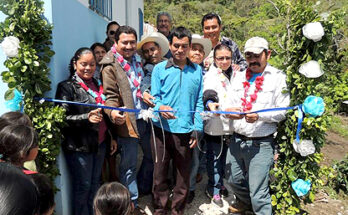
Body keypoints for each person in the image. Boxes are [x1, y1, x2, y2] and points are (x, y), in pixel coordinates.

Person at [224, 37, 290, 214]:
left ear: (267, 54)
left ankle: (258, 208)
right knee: (232, 179)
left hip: (261, 144)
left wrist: (260, 116)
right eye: (248, 55)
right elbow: (228, 102)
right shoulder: (238, 76)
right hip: (237, 141)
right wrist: (229, 111)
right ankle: (246, 203)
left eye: (256, 55)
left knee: (259, 193)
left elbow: (283, 111)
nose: (252, 59)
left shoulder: (278, 77)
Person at [55, 47, 116, 215]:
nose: (88, 68)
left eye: (92, 64)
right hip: (80, 147)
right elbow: (61, 119)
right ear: (75, 64)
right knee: (83, 186)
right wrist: (85, 118)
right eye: (83, 64)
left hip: (100, 143)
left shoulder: (97, 84)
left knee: (96, 183)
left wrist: (110, 137)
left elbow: (104, 114)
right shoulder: (67, 87)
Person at [150, 26, 204, 215]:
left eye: (184, 46)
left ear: (189, 47)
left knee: (183, 176)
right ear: (170, 46)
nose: (180, 50)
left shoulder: (197, 70)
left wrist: (198, 129)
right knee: (160, 175)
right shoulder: (159, 69)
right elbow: (153, 98)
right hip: (161, 131)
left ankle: (177, 210)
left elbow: (198, 102)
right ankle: (160, 209)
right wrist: (160, 107)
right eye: (176, 46)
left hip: (185, 131)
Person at [100, 25, 153, 213]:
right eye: (125, 42)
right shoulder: (110, 65)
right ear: (116, 42)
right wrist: (113, 112)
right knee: (128, 165)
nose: (129, 46)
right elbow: (110, 96)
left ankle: (144, 187)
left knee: (151, 156)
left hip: (145, 117)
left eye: (132, 42)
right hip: (128, 122)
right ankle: (132, 204)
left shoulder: (137, 59)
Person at [202, 44, 238, 207]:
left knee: (225, 159)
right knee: (214, 158)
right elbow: (209, 93)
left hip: (231, 125)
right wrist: (210, 103)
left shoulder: (236, 74)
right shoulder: (211, 75)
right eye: (220, 58)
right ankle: (213, 188)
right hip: (215, 125)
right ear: (214, 59)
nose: (224, 61)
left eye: (227, 58)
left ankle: (221, 183)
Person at [186, 34, 212, 204]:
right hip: (179, 121)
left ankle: (190, 189)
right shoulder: (179, 69)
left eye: (200, 51)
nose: (197, 53)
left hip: (199, 122)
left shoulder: (208, 73)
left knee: (195, 157)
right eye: (194, 49)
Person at [137, 31, 169, 107]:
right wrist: (145, 91)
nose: (150, 53)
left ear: (159, 49)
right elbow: (146, 80)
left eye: (152, 49)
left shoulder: (169, 63)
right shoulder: (149, 67)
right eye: (146, 51)